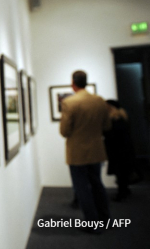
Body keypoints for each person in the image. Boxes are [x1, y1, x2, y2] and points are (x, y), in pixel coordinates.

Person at [59, 70, 111, 233]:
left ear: (73, 83)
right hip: (96, 151)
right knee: (97, 184)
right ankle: (105, 219)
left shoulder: (69, 103)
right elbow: (107, 126)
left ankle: (92, 224)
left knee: (82, 188)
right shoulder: (99, 101)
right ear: (86, 82)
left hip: (77, 153)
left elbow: (64, 131)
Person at [104, 99, 136, 201]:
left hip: (118, 150)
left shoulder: (115, 120)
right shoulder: (123, 117)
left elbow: (112, 135)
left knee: (120, 171)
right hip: (123, 149)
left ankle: (122, 193)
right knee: (122, 171)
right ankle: (124, 190)